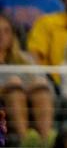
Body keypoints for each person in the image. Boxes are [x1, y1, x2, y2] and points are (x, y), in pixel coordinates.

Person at [0, 13, 54, 146]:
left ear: (13, 35)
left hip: (31, 105)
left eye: (6, 31)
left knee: (40, 86)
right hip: (3, 106)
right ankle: (24, 142)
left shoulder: (26, 59)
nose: (1, 35)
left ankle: (45, 142)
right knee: (14, 86)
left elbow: (48, 87)